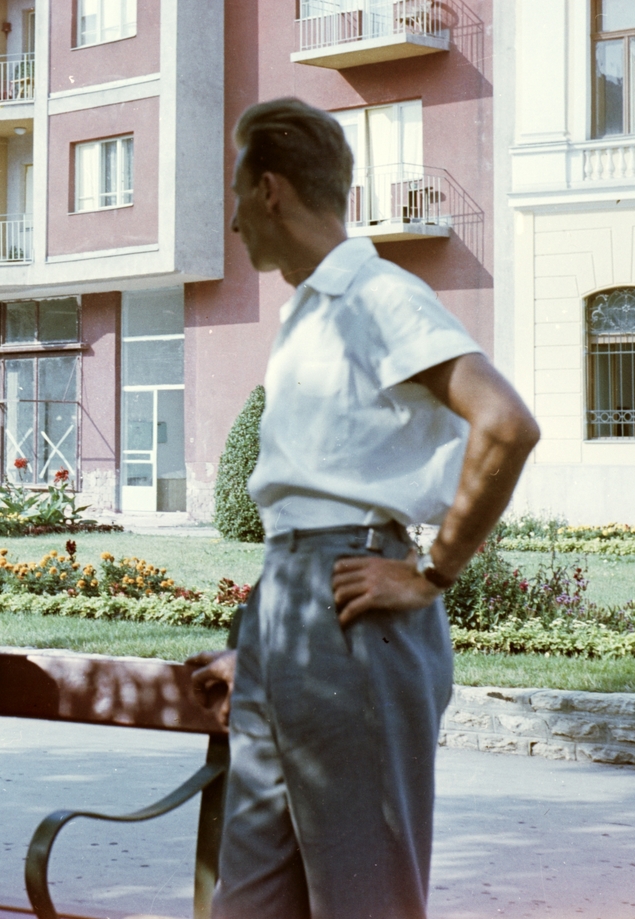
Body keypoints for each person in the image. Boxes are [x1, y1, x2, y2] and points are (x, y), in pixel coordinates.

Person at [186, 97, 540, 919]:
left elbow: (506, 422)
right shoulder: (306, 311)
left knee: (364, 897)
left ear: (268, 189)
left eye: (236, 192)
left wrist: (431, 571)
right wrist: (262, 641)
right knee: (249, 901)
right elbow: (302, 496)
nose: (233, 220)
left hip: (353, 607)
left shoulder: (376, 293)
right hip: (290, 613)